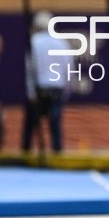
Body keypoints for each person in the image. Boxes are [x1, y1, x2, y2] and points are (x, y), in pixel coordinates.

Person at [22, 10, 72, 154]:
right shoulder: (62, 43)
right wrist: (67, 88)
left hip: (40, 88)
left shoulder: (34, 43)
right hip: (57, 88)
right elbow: (69, 68)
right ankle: (57, 151)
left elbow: (30, 69)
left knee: (31, 123)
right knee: (55, 122)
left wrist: (31, 91)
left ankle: (26, 150)